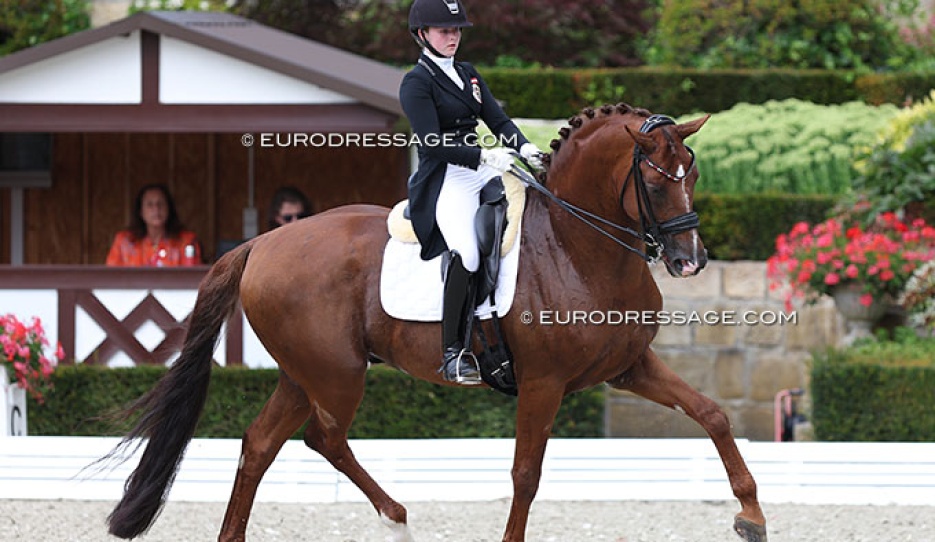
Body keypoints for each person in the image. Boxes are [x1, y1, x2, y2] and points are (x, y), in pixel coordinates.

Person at [399, 0, 544, 384]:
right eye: (445, 31)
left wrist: (524, 147)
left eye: (457, 30)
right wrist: (483, 155)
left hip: (482, 169)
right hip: (446, 177)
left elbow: (496, 119)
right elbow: (430, 142)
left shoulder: (468, 73)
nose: (453, 37)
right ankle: (453, 352)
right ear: (422, 35)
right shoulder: (417, 82)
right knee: (466, 251)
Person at [105, 183, 202, 267]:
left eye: (160, 203)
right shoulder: (123, 241)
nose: (156, 209)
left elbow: (192, 280)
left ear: (169, 208)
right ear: (141, 211)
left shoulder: (186, 241)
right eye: (150, 204)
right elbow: (111, 278)